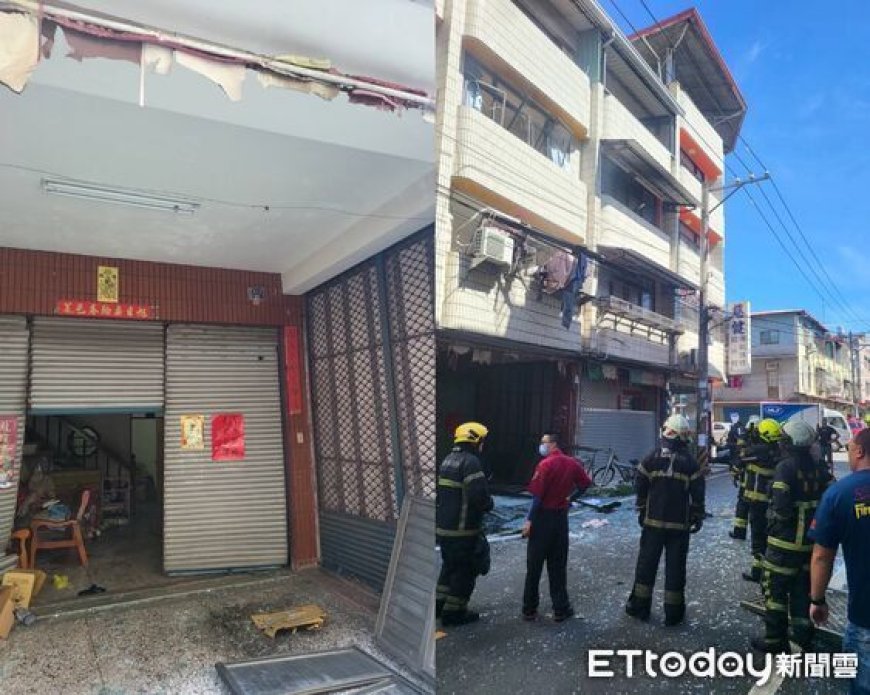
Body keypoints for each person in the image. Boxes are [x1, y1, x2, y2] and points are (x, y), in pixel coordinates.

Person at [751, 419, 833, 653]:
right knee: (802, 591)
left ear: (789, 443)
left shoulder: (785, 467)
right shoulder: (820, 467)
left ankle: (775, 640)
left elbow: (781, 507)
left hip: (783, 544)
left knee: (774, 591)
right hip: (809, 545)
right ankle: (803, 635)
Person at [625, 414, 705, 626]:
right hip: (680, 526)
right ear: (685, 437)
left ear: (665, 433)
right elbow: (698, 492)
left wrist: (642, 508)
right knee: (676, 569)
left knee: (646, 566)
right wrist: (697, 514)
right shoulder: (690, 463)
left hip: (653, 524)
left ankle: (639, 608)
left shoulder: (652, 457)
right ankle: (674, 614)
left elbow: (640, 483)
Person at [808, 428, 870, 695]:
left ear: (860, 451)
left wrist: (817, 600)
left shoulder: (840, 494)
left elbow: (822, 556)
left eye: (849, 447)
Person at [521, 433, 592, 622]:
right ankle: (561, 609)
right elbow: (585, 484)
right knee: (558, 566)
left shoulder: (544, 465)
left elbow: (537, 497)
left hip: (542, 518)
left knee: (534, 566)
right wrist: (571, 498)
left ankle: (529, 609)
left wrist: (529, 520)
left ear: (553, 444)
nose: (541, 446)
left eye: (544, 442)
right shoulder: (572, 463)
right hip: (560, 520)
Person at [436, 421, 494, 626]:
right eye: (482, 440)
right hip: (463, 529)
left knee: (449, 567)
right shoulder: (471, 462)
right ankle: (454, 613)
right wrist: (489, 504)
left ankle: (439, 604)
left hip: (444, 528)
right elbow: (479, 496)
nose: (483, 445)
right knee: (466, 571)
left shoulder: (448, 460)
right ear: (475, 440)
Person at [739, 419, 784, 582]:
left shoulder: (757, 451)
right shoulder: (779, 452)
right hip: (773, 502)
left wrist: (747, 438)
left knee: (758, 537)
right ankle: (766, 570)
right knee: (770, 535)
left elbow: (740, 457)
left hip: (757, 502)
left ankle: (759, 573)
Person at [728, 420, 749, 540]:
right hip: (761, 488)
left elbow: (739, 461)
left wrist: (735, 474)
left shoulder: (747, 448)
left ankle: (739, 533)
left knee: (742, 509)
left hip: (746, 484)